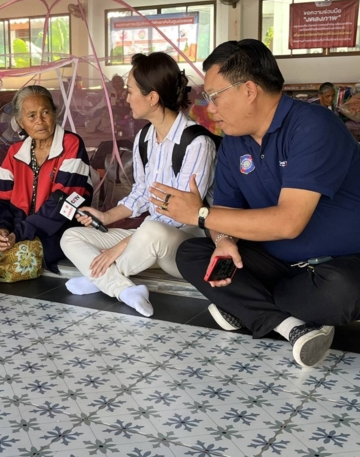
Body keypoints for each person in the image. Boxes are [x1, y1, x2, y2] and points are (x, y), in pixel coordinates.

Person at [151, 39, 360, 368]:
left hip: (338, 264)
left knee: (341, 293)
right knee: (191, 254)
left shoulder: (313, 126)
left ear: (249, 90)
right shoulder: (234, 143)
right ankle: (291, 324)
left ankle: (247, 305)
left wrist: (200, 214)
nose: (210, 109)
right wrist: (223, 241)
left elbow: (288, 223)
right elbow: (226, 213)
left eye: (214, 96)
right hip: (275, 262)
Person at [61, 53, 216, 317]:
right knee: (71, 236)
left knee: (152, 229)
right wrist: (106, 217)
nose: (126, 98)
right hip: (145, 237)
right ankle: (123, 289)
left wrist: (120, 246)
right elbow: (142, 193)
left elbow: (182, 216)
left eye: (131, 91)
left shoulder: (197, 143)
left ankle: (98, 279)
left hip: (181, 244)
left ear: (152, 97)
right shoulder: (144, 138)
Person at [0, 85, 93, 282]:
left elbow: (65, 201)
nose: (40, 121)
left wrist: (19, 233)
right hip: (17, 227)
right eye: (31, 115)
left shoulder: (71, 144)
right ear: (20, 121)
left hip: (57, 228)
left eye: (45, 112)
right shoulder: (16, 152)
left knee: (20, 257)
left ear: (54, 114)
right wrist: (1, 229)